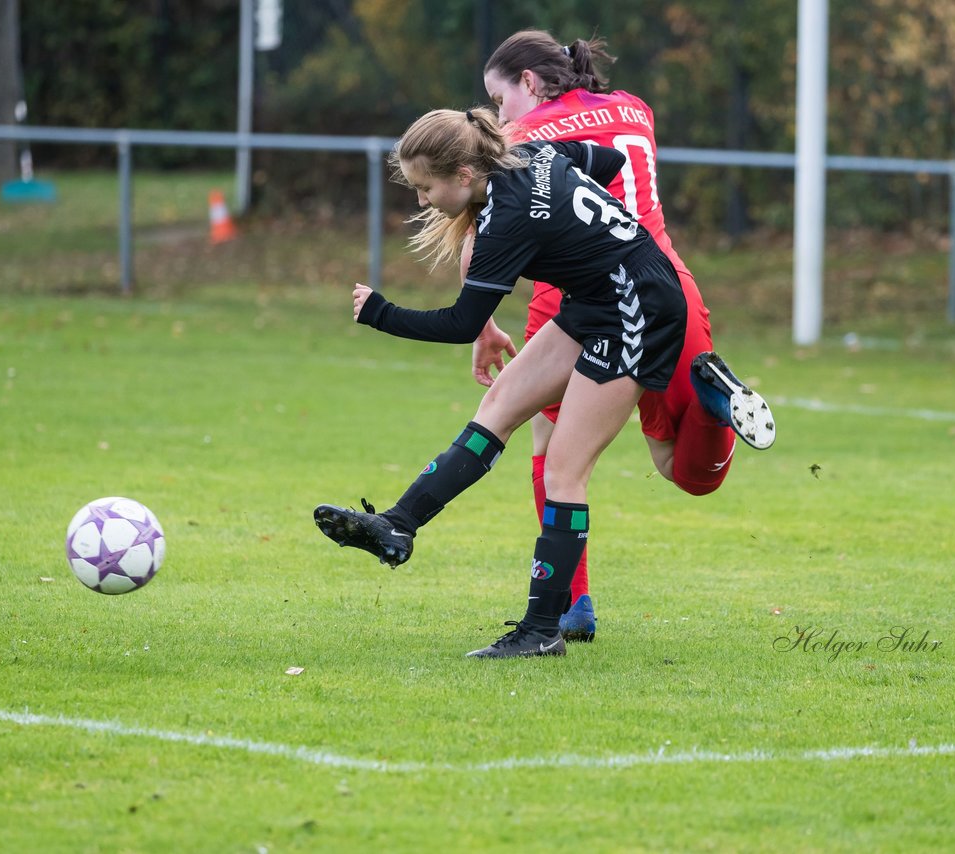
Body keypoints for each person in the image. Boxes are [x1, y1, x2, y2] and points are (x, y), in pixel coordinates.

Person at [312, 108, 775, 658]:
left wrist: (380, 313)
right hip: (604, 297)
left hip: (639, 312)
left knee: (566, 468)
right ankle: (397, 525)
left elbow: (463, 323)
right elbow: (605, 160)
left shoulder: (508, 218)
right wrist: (589, 236)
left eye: (424, 187)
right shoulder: (530, 155)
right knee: (500, 405)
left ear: (464, 175)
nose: (420, 201)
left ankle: (541, 631)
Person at [464, 30, 766, 641]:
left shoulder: (520, 137)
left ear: (528, 83)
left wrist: (484, 323)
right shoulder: (636, 108)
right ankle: (715, 405)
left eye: (500, 100)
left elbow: (481, 228)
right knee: (686, 471)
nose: (500, 118)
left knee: (550, 448)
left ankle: (570, 605)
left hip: (571, 300)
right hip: (668, 288)